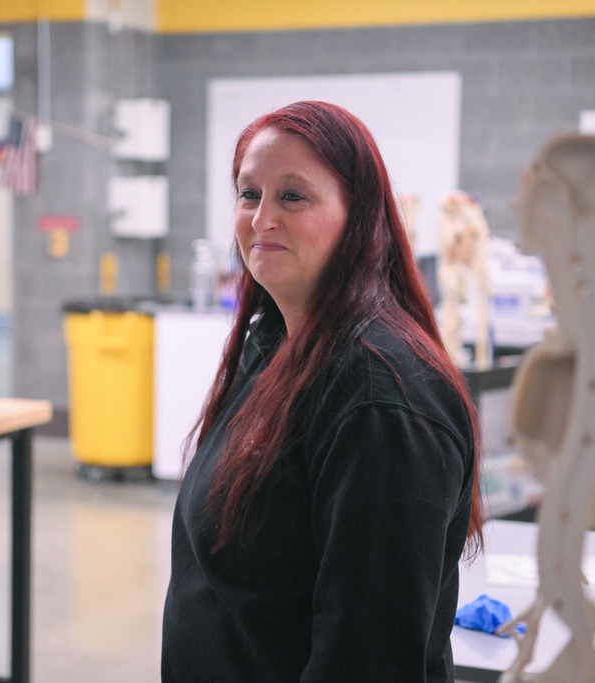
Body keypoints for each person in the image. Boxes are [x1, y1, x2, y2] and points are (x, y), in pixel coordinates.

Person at [162, 101, 482, 682]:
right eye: (249, 194)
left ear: (359, 217)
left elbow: (369, 660)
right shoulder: (273, 345)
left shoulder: (380, 400)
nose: (262, 219)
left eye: (293, 196)